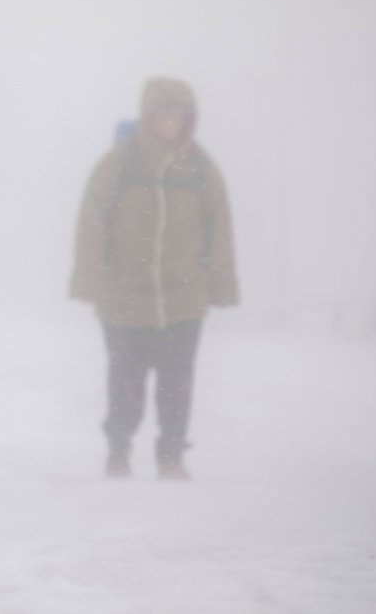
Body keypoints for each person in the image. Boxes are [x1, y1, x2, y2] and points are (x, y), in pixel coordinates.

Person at [70, 77, 238, 480]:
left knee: (177, 383)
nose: (171, 122)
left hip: (184, 299)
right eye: (164, 113)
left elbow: (219, 228)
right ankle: (119, 450)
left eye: (179, 114)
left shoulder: (200, 167)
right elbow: (92, 223)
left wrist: (220, 283)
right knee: (125, 382)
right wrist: (91, 280)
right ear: (148, 115)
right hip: (123, 297)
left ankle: (171, 455)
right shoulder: (120, 164)